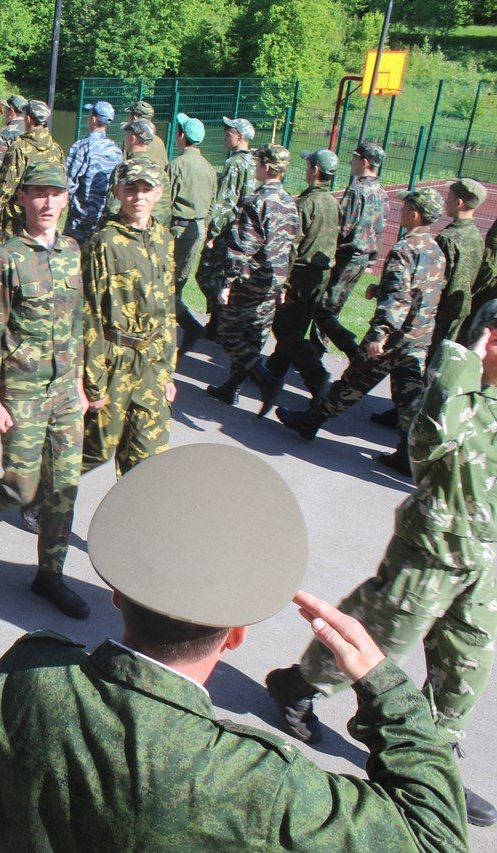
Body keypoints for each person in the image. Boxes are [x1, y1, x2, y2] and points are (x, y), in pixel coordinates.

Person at [0, 443, 469, 851]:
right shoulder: (257, 784)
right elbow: (434, 837)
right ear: (237, 635)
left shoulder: (29, 673)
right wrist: (385, 686)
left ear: (117, 596)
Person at [268, 302, 497, 829]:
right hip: (433, 550)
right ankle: (298, 686)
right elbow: (425, 443)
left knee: (468, 664)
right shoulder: (459, 391)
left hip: (484, 561)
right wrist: (460, 364)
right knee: (380, 637)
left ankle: (432, 762)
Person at [0, 162, 89, 620]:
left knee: (64, 487)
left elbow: (79, 320)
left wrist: (79, 382)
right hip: (20, 388)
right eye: (38, 193)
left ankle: (51, 575)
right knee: (21, 488)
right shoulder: (9, 257)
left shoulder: (74, 251)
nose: (47, 202)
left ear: (65, 199)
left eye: (55, 194)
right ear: (23, 198)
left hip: (64, 389)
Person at [276, 188, 446, 476]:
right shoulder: (434, 249)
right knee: (409, 395)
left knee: (353, 382)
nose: (400, 211)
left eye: (405, 207)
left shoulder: (404, 249)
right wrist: (380, 289)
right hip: (418, 336)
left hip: (393, 338)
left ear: (414, 214)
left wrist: (380, 333)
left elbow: (399, 297)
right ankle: (408, 452)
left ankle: (311, 421)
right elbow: (421, 290)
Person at [80, 160, 176, 478]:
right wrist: (92, 382)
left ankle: (135, 524)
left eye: (146, 189)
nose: (139, 197)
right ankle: (42, 495)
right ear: (119, 192)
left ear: (158, 193)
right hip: (113, 360)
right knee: (96, 449)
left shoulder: (164, 239)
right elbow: (88, 313)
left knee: (150, 455)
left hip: (151, 363)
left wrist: (168, 373)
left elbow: (168, 310)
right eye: (131, 189)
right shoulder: (104, 242)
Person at [206, 144, 298, 408]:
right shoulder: (290, 203)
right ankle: (232, 387)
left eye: (259, 163)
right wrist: (283, 284)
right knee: (255, 337)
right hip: (274, 283)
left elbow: (242, 247)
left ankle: (265, 379)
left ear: (266, 167)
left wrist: (228, 282)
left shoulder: (255, 201)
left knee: (229, 332)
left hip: (250, 281)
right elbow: (291, 248)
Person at [260, 149, 341, 413]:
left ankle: (317, 377)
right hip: (321, 274)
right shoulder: (332, 201)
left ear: (315, 171)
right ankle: (275, 369)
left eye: (308, 165)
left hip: (302, 274)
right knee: (296, 325)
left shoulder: (306, 204)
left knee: (286, 329)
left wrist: (282, 282)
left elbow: (292, 247)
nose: (306, 168)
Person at [312, 141, 388, 358]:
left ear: (364, 162)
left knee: (323, 309)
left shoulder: (357, 190)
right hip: (362, 259)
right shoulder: (380, 192)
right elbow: (379, 228)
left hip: (346, 257)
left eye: (354, 157)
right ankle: (317, 351)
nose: (351, 161)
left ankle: (334, 351)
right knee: (333, 308)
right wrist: (372, 260)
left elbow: (343, 226)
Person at [194, 117, 257, 341]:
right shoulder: (253, 162)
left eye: (229, 133)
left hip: (227, 230)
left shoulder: (235, 163)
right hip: (243, 231)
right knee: (223, 276)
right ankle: (217, 323)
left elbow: (225, 201)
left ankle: (221, 319)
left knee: (205, 274)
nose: (225, 136)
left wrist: (212, 232)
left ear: (240, 137)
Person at [165, 113, 218, 354]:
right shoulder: (209, 168)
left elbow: (165, 201)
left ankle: (188, 325)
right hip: (197, 229)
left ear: (182, 136)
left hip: (176, 228)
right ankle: (175, 327)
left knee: (163, 282)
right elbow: (213, 204)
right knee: (179, 281)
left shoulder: (177, 165)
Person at [427, 179, 487, 368]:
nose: (446, 201)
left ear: (459, 203)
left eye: (449, 197)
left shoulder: (448, 238)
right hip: (462, 308)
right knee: (447, 361)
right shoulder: (476, 236)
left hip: (442, 311)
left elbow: (436, 279)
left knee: (433, 362)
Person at [0, 100, 64, 240]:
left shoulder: (19, 148)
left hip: (18, 221)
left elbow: (4, 189)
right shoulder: (56, 149)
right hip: (46, 218)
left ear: (28, 118)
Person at [62, 100, 123, 246]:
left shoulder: (82, 147)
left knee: (73, 257)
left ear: (94, 118)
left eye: (89, 113)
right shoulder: (116, 150)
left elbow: (68, 183)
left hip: (80, 220)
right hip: (104, 217)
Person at [102, 118, 171, 227]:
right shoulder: (159, 171)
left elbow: (112, 205)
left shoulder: (123, 169)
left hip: (126, 230)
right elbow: (166, 207)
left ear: (132, 138)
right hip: (154, 230)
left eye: (127, 135)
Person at [0, 94, 27, 198]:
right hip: (28, 188)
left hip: (9, 190)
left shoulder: (3, 134)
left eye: (5, 109)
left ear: (11, 110)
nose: (4, 113)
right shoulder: (31, 131)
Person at [124, 100, 168, 168]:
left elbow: (124, 165)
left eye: (129, 116)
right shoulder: (159, 141)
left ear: (134, 117)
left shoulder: (131, 139)